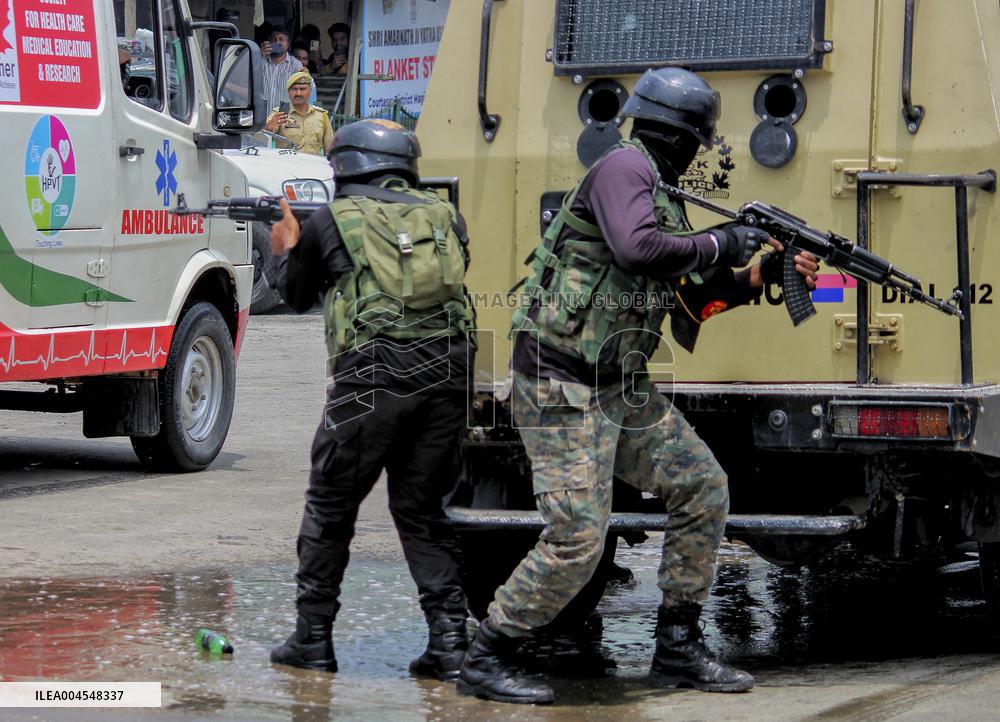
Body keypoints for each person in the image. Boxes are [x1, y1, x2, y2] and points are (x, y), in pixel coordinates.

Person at [455, 67, 820, 705]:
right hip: (560, 382)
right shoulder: (624, 170)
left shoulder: (660, 189)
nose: (695, 153)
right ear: (679, 135)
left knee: (703, 488)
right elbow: (637, 249)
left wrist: (755, 276)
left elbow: (688, 302)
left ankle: (677, 646)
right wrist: (722, 240)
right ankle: (488, 653)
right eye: (695, 142)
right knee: (577, 539)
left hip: (618, 385)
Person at [268, 119, 477, 681]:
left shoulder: (329, 219)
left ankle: (312, 640)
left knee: (331, 506)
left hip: (369, 383)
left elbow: (293, 296)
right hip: (447, 380)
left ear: (345, 166)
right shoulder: (445, 217)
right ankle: (451, 643)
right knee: (422, 511)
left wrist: (285, 248)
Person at [265, 71, 331, 154]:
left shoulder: (321, 115)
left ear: (310, 92)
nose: (298, 93)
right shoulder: (279, 114)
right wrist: (268, 127)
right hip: (288, 164)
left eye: (303, 89)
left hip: (313, 165)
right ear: (288, 92)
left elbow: (330, 150)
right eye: (294, 89)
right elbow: (260, 140)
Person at [260, 27, 303, 116]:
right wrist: (258, 55)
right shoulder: (260, 60)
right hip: (260, 120)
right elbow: (246, 79)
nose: (277, 42)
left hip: (284, 120)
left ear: (288, 43)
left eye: (281, 39)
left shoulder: (295, 65)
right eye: (274, 39)